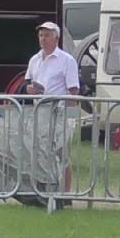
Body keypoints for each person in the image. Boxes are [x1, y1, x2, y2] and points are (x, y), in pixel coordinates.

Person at [24, 20, 81, 203]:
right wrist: (30, 89)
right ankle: (41, 192)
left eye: (47, 35)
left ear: (56, 38)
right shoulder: (34, 60)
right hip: (39, 114)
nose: (43, 39)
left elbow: (74, 90)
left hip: (60, 113)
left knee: (62, 154)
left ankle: (65, 195)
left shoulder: (67, 61)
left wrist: (70, 117)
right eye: (41, 35)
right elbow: (27, 83)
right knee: (38, 153)